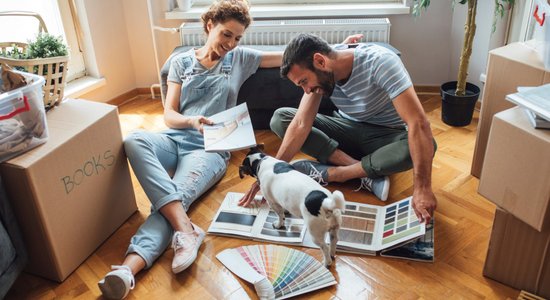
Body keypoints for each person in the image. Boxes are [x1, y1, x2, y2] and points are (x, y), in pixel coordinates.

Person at [97, 2, 360, 298]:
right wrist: (190, 120)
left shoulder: (239, 59)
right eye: (226, 35)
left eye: (237, 38)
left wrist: (336, 49)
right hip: (174, 137)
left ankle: (127, 269)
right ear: (210, 25)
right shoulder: (181, 63)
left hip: (210, 150)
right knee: (134, 140)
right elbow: (169, 115)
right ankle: (187, 229)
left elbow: (290, 56)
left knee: (175, 196)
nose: (231, 44)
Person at [239, 33, 437, 225]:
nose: (306, 90)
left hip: (385, 135)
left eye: (304, 82)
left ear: (320, 61)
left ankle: (336, 173)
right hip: (346, 131)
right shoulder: (322, 74)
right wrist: (270, 175)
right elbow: (300, 124)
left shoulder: (381, 62)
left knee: (423, 147)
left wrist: (423, 187)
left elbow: (418, 123)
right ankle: (363, 172)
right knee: (280, 118)